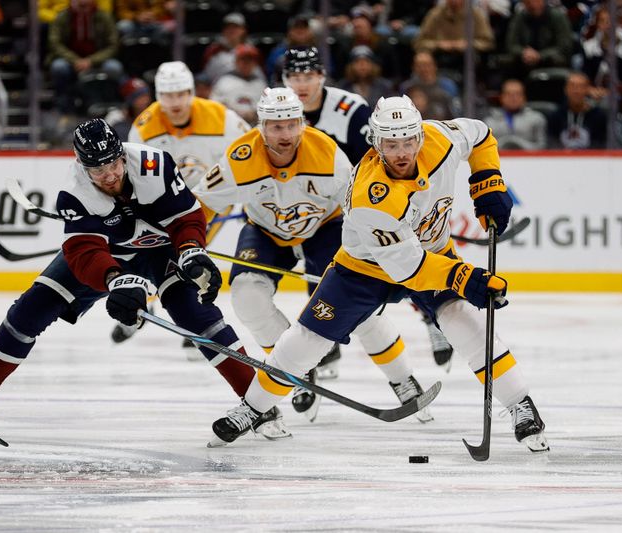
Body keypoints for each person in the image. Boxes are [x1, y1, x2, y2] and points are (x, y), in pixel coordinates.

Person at [209, 95, 549, 456]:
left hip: (430, 254)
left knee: (462, 320)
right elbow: (409, 269)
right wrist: (466, 278)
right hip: (363, 269)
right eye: (391, 144)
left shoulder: (441, 138)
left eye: (408, 141)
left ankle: (520, 404)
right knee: (305, 340)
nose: (402, 152)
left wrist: (487, 179)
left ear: (420, 135)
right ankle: (253, 407)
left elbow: (480, 135)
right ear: (376, 143)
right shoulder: (371, 196)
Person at [0, 119, 290, 442]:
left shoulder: (155, 164)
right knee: (28, 312)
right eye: (97, 168)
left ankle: (258, 405)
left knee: (198, 317)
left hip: (160, 249)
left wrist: (191, 251)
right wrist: (116, 281)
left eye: (113, 163)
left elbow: (186, 217)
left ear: (122, 154)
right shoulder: (73, 193)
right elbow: (85, 253)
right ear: (82, 166)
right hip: (109, 256)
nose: (108, 174)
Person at [192, 87, 423, 423]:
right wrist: (188, 246)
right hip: (266, 233)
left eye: (291, 124)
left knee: (359, 307)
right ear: (260, 127)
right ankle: (294, 371)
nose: (285, 134)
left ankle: (403, 378)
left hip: (326, 229)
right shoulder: (239, 158)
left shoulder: (327, 153)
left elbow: (360, 203)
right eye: (275, 126)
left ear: (302, 122)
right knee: (246, 299)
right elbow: (197, 206)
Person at [282, 45, 455, 379]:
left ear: (321, 76)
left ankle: (430, 318)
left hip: (360, 211)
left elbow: (384, 161)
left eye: (308, 75)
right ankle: (326, 346)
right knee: (327, 271)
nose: (300, 84)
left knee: (393, 265)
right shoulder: (282, 116)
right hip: (316, 210)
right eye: (293, 76)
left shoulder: (349, 109)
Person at [111, 61, 249, 345]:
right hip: (165, 206)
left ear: (191, 91)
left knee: (186, 256)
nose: (175, 102)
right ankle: (152, 305)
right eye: (167, 95)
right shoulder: (144, 128)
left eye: (180, 93)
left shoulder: (222, 118)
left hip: (210, 204)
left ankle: (194, 315)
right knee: (158, 257)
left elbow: (252, 155)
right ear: (158, 95)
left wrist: (250, 204)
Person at [45, 0, 124, 113]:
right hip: (70, 60)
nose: (83, 3)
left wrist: (91, 61)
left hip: (97, 60)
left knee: (114, 67)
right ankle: (63, 102)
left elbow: (113, 45)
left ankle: (110, 104)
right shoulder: (62, 17)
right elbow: (54, 43)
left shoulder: (104, 16)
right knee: (58, 67)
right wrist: (75, 60)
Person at [210, 43, 267, 126]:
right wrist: (233, 113)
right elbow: (214, 105)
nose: (246, 64)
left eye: (250, 60)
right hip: (229, 127)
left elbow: (269, 107)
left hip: (256, 128)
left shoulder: (261, 84)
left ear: (255, 63)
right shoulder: (223, 82)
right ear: (236, 61)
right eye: (243, 59)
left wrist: (255, 114)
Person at [547, 72, 607, 149]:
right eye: (572, 86)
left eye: (581, 87)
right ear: (565, 89)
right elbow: (552, 143)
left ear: (588, 90)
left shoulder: (598, 116)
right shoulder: (556, 115)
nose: (576, 91)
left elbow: (600, 145)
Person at [484, 79, 547, 150]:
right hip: (498, 160)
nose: (513, 98)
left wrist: (517, 142)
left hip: (530, 160)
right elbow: (485, 148)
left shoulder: (537, 118)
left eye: (517, 94)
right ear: (501, 97)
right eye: (509, 94)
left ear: (524, 97)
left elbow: (542, 147)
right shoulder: (489, 122)